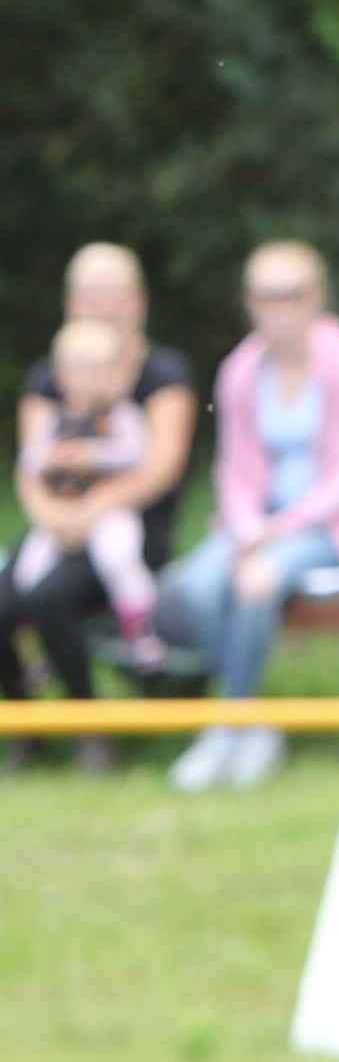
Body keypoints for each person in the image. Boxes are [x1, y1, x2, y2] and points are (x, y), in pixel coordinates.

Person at [162, 240, 339, 792]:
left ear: (317, 298)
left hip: (326, 527)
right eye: (268, 295)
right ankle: (251, 721)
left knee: (256, 582)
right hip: (254, 522)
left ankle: (230, 725)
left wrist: (271, 534)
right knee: (193, 585)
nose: (281, 307)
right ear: (250, 301)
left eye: (293, 294)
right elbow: (233, 470)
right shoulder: (239, 371)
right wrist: (246, 527)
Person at [1, 242, 198, 771]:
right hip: (59, 526)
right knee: (3, 595)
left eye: (115, 293)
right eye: (93, 294)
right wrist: (53, 516)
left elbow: (160, 466)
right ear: (71, 304)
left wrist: (93, 510)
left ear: (138, 302)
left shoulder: (163, 373)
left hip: (131, 532)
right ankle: (25, 723)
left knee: (50, 597)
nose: (105, 305)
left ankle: (89, 727)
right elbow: (32, 465)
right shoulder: (48, 376)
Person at [14, 323, 167, 669]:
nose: (94, 379)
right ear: (63, 376)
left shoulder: (122, 416)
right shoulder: (54, 420)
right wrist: (51, 462)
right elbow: (30, 462)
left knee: (118, 556)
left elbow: (138, 455)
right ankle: (49, 648)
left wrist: (90, 454)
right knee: (27, 574)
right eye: (84, 370)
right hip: (63, 512)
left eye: (102, 369)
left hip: (110, 512)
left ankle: (140, 630)